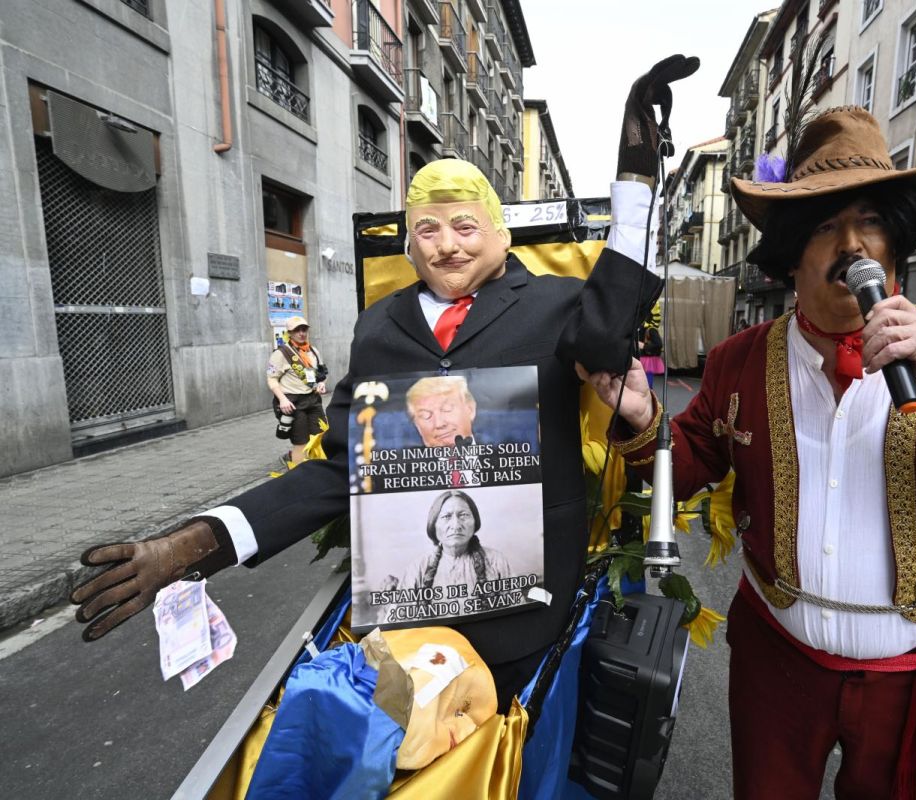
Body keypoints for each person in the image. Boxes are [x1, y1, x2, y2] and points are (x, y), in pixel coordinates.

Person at [68, 56, 699, 705]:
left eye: (464, 226)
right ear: (407, 241)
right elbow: (341, 465)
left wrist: (636, 177)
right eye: (427, 229)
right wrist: (198, 543)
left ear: (499, 234)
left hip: (524, 606)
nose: (446, 245)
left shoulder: (558, 305)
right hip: (407, 609)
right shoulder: (379, 326)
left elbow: (611, 321)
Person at [587, 105, 916, 799]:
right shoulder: (737, 359)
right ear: (790, 253)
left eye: (870, 220)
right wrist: (641, 418)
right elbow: (691, 461)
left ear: (897, 239)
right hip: (777, 666)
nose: (852, 245)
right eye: (822, 224)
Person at [392, 490, 513, 595]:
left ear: (475, 521)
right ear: (433, 524)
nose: (456, 525)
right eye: (446, 516)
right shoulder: (418, 568)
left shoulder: (496, 561)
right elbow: (400, 617)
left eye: (464, 515)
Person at [268, 316, 328, 467]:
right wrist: (282, 400)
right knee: (300, 442)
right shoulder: (280, 354)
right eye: (297, 330)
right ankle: (298, 474)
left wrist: (321, 383)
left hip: (313, 400)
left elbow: (321, 374)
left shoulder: (313, 351)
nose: (301, 333)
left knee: (321, 436)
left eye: (304, 329)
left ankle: (319, 470)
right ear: (289, 333)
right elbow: (272, 379)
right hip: (293, 403)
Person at [406, 376, 477, 447]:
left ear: (470, 409)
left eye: (446, 409)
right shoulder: (401, 457)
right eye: (425, 415)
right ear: (417, 425)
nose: (439, 424)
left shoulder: (487, 447)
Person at [638, 304, 664, 389]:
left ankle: (649, 393)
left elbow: (658, 344)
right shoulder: (641, 329)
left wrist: (644, 346)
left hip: (647, 360)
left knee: (647, 385)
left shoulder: (651, 330)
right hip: (640, 358)